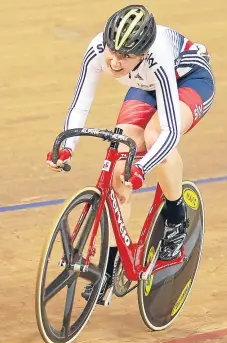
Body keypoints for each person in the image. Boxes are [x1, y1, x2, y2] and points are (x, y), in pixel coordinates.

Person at [47, 4, 215, 302]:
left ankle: (177, 219)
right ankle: (111, 268)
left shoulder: (159, 56)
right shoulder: (98, 48)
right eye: (113, 52)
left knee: (153, 137)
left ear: (144, 53)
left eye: (125, 57)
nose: (114, 62)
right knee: (119, 159)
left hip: (188, 80)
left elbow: (170, 132)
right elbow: (81, 102)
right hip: (146, 85)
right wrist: (66, 148)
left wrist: (142, 167)